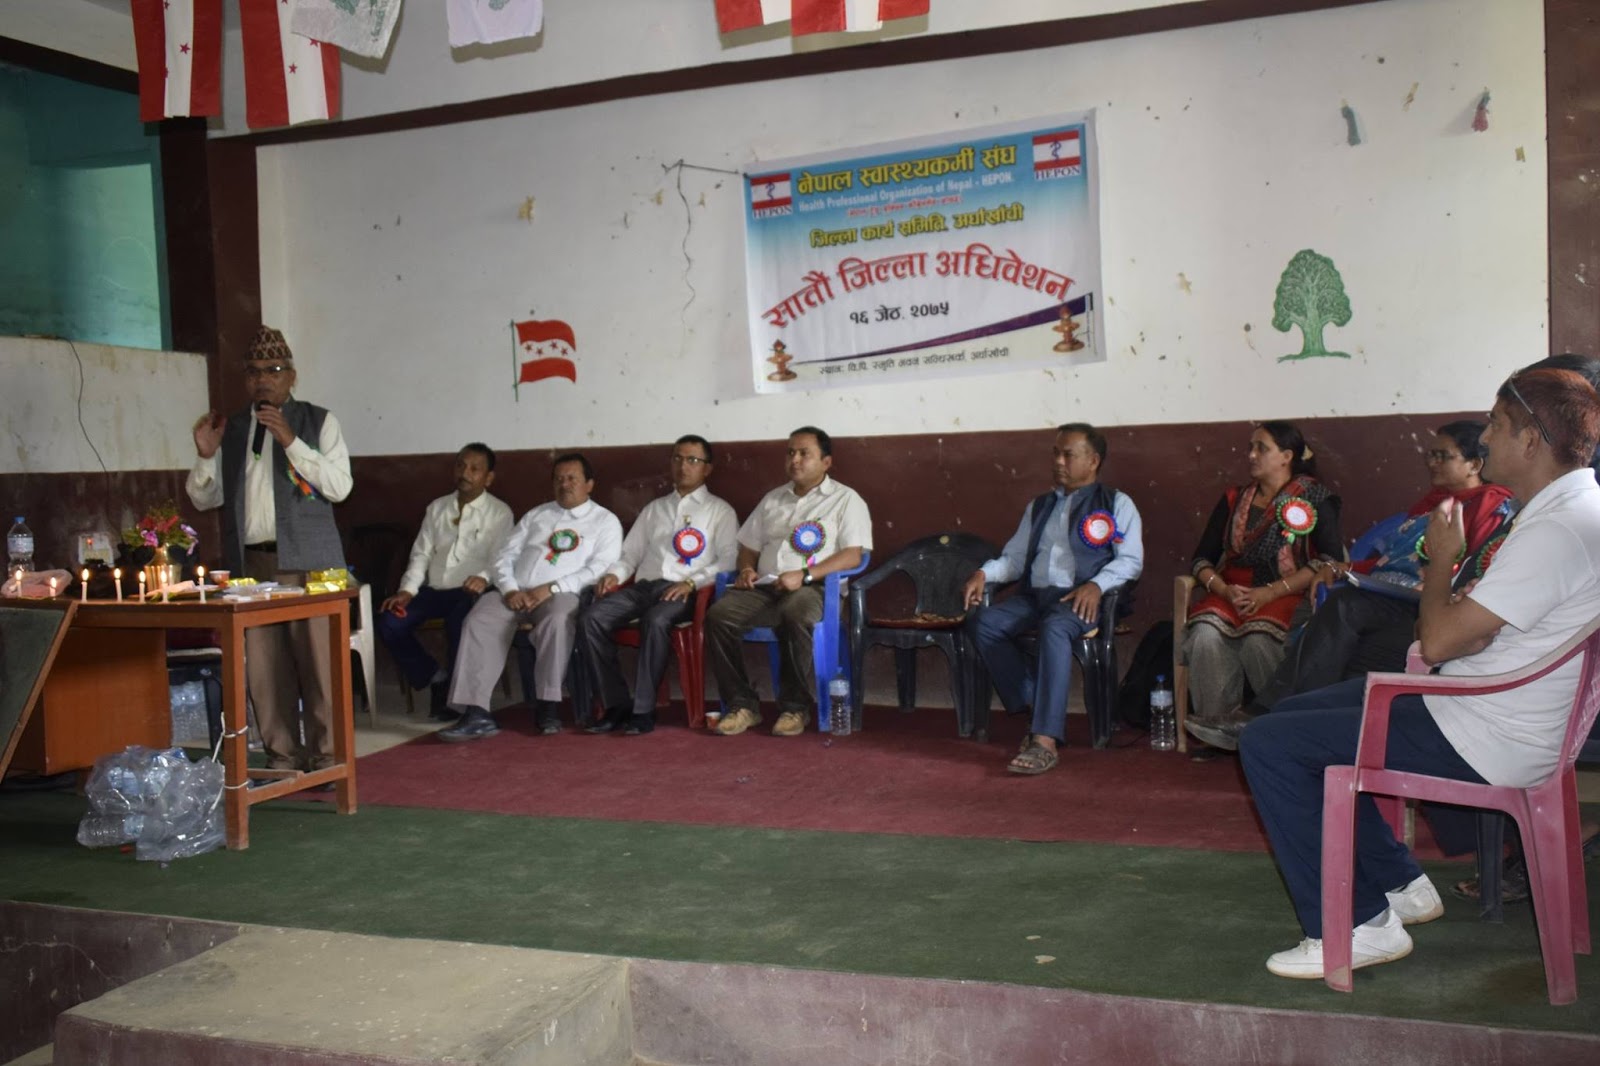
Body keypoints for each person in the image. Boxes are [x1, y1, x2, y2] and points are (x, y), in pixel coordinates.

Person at [1238, 367, 1600, 979]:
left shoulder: (1560, 527)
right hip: (1482, 703)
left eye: (1496, 424)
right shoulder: (1568, 508)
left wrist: (1441, 560)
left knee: (1269, 744)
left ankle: (1358, 927)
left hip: (1486, 729)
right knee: (1294, 715)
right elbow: (1476, 630)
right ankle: (1401, 883)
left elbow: (1439, 638)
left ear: (1531, 439)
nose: (1486, 437)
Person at [1185, 421, 1515, 750]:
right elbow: (1387, 562)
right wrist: (1342, 568)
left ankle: (1268, 715)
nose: (1433, 463)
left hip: (1428, 603)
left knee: (1344, 608)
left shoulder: (1488, 504)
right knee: (1334, 614)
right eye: (1431, 455)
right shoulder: (1432, 503)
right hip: (1391, 594)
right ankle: (1282, 720)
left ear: (1474, 464)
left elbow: (1470, 568)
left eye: (1444, 456)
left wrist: (1435, 585)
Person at [186, 325, 353, 776]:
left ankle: (328, 760)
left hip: (311, 565)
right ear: (246, 379)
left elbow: (340, 487)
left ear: (292, 376)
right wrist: (206, 455)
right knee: (263, 669)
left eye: (274, 370)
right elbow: (205, 499)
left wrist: (291, 442)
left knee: (320, 666)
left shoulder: (319, 421)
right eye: (255, 371)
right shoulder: (234, 428)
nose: (264, 379)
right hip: (251, 565)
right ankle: (282, 758)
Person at [962, 423, 1145, 774]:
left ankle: (1045, 740)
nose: (1059, 461)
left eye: (1068, 455)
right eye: (1056, 454)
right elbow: (1015, 559)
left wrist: (1098, 585)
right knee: (983, 622)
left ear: (1093, 461)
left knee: (1055, 627)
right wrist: (985, 573)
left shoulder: (1117, 503)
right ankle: (1036, 701)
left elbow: (1131, 560)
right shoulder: (1040, 506)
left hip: (1081, 599)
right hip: (1037, 597)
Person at [439, 453, 622, 741]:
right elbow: (505, 556)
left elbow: (599, 568)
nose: (564, 484)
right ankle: (476, 712)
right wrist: (510, 588)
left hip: (562, 594)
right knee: (478, 619)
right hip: (516, 591)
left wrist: (552, 588)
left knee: (558, 620)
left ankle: (548, 704)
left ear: (590, 484)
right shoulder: (537, 515)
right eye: (558, 479)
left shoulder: (605, 521)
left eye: (572, 479)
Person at [1182, 421, 1342, 741]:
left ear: (1286, 456)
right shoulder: (1234, 499)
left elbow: (1329, 560)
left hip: (1289, 593)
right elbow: (1201, 559)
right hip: (1231, 592)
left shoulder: (1314, 497)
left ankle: (1281, 730)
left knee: (1259, 640)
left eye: (1261, 448)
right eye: (1251, 448)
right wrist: (1223, 588)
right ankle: (1217, 729)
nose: (1251, 455)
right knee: (1204, 635)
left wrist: (1270, 593)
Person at [708, 426, 872, 737]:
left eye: (804, 454)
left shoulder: (846, 500)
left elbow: (853, 555)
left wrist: (806, 575)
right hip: (766, 588)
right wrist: (746, 569)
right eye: (790, 453)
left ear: (826, 462)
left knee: (796, 611)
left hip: (815, 589)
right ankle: (742, 704)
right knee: (719, 616)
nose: (795, 460)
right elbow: (748, 547)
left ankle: (795, 707)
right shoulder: (773, 499)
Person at [578, 435, 737, 736]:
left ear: (707, 468)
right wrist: (614, 574)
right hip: (643, 588)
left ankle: (643, 710)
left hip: (684, 591)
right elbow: (630, 554)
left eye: (692, 460)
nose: (683, 466)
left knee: (656, 620)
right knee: (591, 618)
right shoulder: (655, 509)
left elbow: (729, 560)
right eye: (677, 458)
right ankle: (616, 704)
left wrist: (691, 582)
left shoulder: (720, 511)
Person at [377, 443, 514, 721]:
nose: (465, 473)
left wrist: (483, 577)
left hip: (471, 591)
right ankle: (435, 677)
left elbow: (501, 558)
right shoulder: (437, 508)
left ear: (488, 478)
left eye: (475, 469)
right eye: (461, 466)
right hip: (433, 591)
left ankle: (456, 697)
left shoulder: (500, 513)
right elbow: (421, 554)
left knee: (460, 623)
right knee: (389, 622)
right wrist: (407, 590)